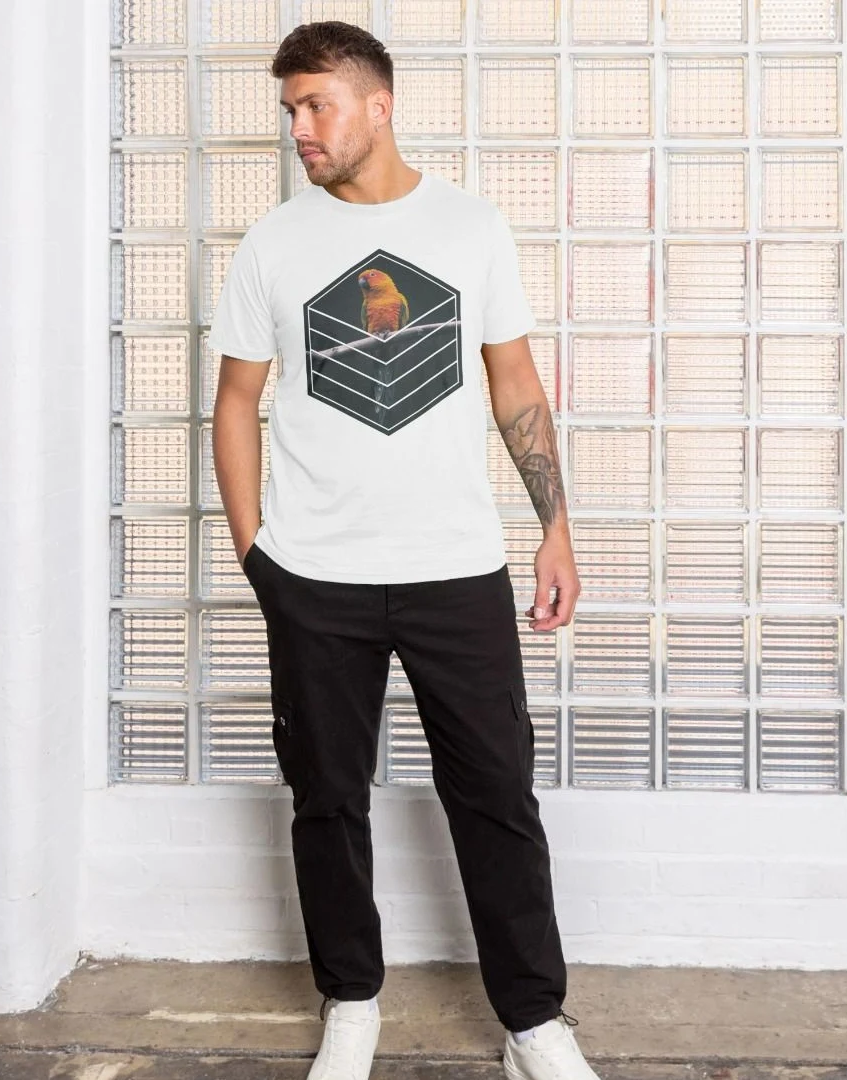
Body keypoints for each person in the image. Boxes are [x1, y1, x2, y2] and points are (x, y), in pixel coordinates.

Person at [208, 20, 592, 1080]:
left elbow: (515, 382)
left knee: (497, 796)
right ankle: (352, 1005)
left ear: (379, 106)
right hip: (315, 576)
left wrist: (555, 526)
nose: (300, 128)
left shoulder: (471, 227)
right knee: (327, 800)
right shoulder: (274, 243)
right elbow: (235, 400)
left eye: (317, 105)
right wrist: (256, 554)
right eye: (290, 109)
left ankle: (533, 1024)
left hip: (456, 568)